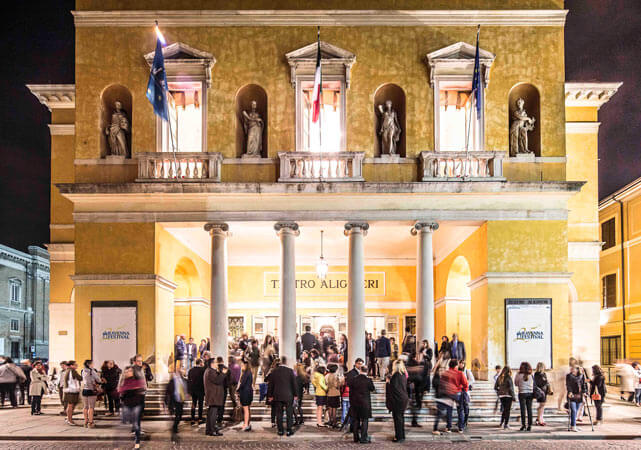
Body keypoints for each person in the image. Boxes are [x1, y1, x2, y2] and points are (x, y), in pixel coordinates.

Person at [267, 356, 297, 436]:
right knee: (289, 413)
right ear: (286, 362)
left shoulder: (274, 371)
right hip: (288, 395)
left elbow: (270, 385)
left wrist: (270, 395)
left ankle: (280, 430)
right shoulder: (290, 371)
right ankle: (288, 430)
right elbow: (294, 384)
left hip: (277, 395)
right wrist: (295, 394)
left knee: (279, 413)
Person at [118, 366, 146, 449]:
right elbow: (120, 392)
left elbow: (142, 391)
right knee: (128, 421)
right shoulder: (123, 382)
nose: (128, 372)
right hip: (127, 404)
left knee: (136, 424)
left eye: (130, 371)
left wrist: (131, 390)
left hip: (137, 404)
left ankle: (137, 442)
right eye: (127, 371)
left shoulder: (137, 380)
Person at [347, 364, 375, 444]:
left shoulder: (354, 379)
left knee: (356, 420)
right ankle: (363, 438)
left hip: (355, 403)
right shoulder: (368, 380)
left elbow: (350, 389)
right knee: (365, 420)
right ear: (367, 371)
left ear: (360, 370)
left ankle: (356, 438)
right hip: (365, 403)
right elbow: (372, 389)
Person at [439, 359, 468, 432]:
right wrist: (464, 391)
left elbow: (442, 384)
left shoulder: (446, 373)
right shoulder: (460, 373)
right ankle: (460, 428)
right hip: (458, 394)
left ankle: (449, 427)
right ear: (456, 365)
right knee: (460, 410)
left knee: (449, 410)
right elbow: (466, 384)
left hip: (449, 394)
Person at [386, 359, 409, 443]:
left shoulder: (395, 376)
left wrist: (388, 383)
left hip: (397, 400)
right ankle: (401, 435)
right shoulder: (403, 375)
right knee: (401, 418)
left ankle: (399, 437)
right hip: (403, 399)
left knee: (397, 419)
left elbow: (393, 389)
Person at [204, 358, 227, 436]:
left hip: (212, 396)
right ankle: (212, 430)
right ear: (212, 364)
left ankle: (209, 430)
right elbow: (217, 380)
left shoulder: (209, 371)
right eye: (216, 362)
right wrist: (223, 373)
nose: (217, 364)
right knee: (213, 414)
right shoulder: (210, 371)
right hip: (213, 396)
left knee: (211, 414)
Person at [566, 365, 587, 432]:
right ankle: (573, 426)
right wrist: (570, 392)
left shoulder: (582, 376)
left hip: (579, 396)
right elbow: (568, 384)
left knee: (576, 411)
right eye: (571, 368)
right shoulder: (568, 376)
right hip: (571, 395)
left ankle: (573, 424)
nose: (571, 369)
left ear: (577, 370)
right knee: (574, 410)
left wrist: (584, 392)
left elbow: (584, 385)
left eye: (573, 369)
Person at [514, 362, 534, 431]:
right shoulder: (531, 374)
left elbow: (516, 384)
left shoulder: (518, 374)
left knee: (523, 410)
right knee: (529, 409)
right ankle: (530, 425)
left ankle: (523, 425)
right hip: (530, 393)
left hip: (522, 393)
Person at [81, 359, 101, 428]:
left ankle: (85, 421)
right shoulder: (92, 371)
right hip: (92, 390)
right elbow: (98, 379)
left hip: (84, 389)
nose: (93, 364)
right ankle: (91, 422)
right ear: (89, 364)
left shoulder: (83, 370)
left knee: (85, 407)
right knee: (91, 407)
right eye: (92, 363)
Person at [62, 360, 82, 426]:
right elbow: (80, 378)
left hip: (69, 390)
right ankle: (69, 420)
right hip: (71, 390)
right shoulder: (72, 371)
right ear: (71, 365)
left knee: (71, 405)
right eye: (75, 364)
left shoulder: (67, 371)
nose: (77, 366)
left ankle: (68, 418)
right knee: (71, 405)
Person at [187, 358, 206, 425]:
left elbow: (188, 381)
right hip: (201, 390)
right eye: (202, 362)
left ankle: (192, 419)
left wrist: (189, 391)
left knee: (193, 404)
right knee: (200, 405)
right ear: (200, 363)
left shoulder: (191, 370)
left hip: (193, 390)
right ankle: (200, 419)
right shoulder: (203, 370)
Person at [238, 359, 253, 431]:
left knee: (246, 409)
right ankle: (247, 423)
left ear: (245, 366)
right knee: (247, 409)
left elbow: (242, 384)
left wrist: (238, 390)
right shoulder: (249, 372)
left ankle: (246, 424)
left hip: (245, 393)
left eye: (242, 365)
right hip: (248, 392)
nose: (241, 366)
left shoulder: (246, 373)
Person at [458, 360, 474, 429]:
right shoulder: (457, 370)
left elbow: (472, 380)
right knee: (460, 407)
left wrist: (466, 384)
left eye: (462, 363)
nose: (461, 364)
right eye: (460, 363)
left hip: (465, 391)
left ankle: (465, 420)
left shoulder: (467, 371)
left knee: (466, 406)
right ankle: (461, 421)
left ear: (464, 364)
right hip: (459, 390)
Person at [326, 363, 342, 428]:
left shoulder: (327, 376)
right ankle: (334, 422)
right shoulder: (336, 376)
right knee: (334, 408)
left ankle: (330, 421)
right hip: (335, 393)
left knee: (330, 407)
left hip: (329, 392)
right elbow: (337, 385)